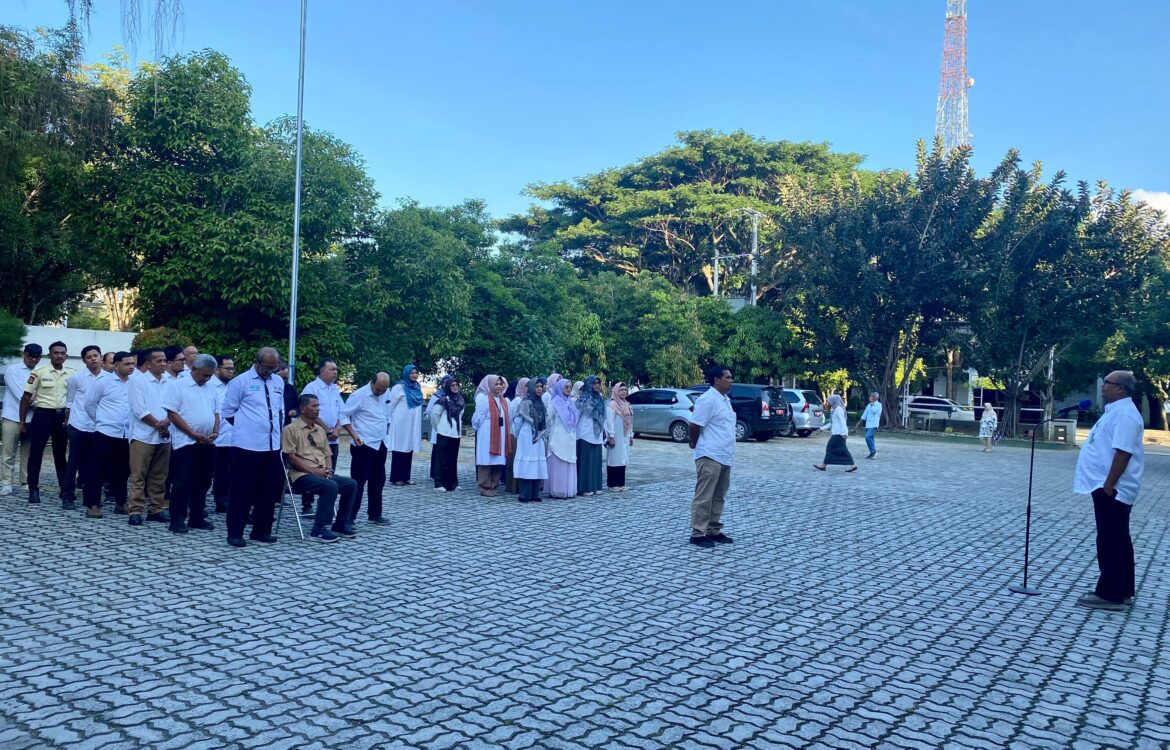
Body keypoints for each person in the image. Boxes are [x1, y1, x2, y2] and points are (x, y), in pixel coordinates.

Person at [1074, 370, 1145, 611]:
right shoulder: (1115, 411)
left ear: (1121, 389)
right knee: (1117, 538)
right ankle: (1122, 590)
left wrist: (1108, 485)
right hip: (1107, 486)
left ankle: (1109, 595)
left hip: (1113, 488)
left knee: (1111, 540)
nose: (1103, 386)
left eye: (1107, 382)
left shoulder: (1125, 414)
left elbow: (1123, 453)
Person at [220, 347, 286, 547]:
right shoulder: (240, 382)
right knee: (242, 491)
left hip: (272, 446)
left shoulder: (278, 381)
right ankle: (235, 533)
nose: (270, 372)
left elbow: (279, 411)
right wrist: (247, 428)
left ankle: (261, 531)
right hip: (246, 447)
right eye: (267, 368)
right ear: (257, 363)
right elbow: (228, 412)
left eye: (274, 368)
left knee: (268, 492)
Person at [283, 393, 357, 542]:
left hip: (321, 473)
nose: (317, 409)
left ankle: (340, 524)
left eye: (318, 406)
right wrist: (314, 471)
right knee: (329, 486)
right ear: (303, 409)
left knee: (351, 484)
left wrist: (329, 469)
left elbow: (327, 454)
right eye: (314, 406)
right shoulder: (290, 429)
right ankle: (319, 529)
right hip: (301, 476)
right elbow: (291, 458)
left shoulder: (320, 430)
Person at [163, 354, 219, 534]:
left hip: (207, 442)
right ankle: (177, 519)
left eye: (210, 375)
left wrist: (215, 431)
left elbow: (216, 412)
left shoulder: (211, 388)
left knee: (203, 481)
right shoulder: (178, 386)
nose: (207, 378)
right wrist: (192, 433)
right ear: (193, 369)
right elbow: (172, 414)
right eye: (204, 375)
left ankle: (197, 517)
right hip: (185, 442)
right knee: (182, 482)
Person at [20, 341, 74, 505]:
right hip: (43, 416)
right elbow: (26, 397)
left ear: (66, 355)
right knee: (36, 454)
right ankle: (33, 490)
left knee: (60, 455)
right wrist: (22, 421)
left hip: (62, 417)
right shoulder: (39, 372)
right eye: (56, 353)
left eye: (62, 353)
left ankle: (64, 490)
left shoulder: (72, 374)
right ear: (49, 354)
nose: (59, 356)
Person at [688, 365, 736, 548]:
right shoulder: (708, 399)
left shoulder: (724, 399)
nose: (731, 380)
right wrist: (694, 443)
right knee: (704, 496)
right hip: (709, 455)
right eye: (728, 377)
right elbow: (694, 425)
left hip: (724, 455)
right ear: (716, 380)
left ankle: (713, 529)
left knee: (718, 496)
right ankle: (698, 533)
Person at [83, 351, 134, 518]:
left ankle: (121, 502)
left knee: (122, 471)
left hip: (126, 434)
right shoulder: (103, 382)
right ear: (116, 365)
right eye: (127, 364)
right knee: (97, 470)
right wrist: (101, 421)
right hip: (105, 432)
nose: (131, 367)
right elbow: (89, 404)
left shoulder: (135, 383)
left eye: (132, 364)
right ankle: (92, 504)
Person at [126, 348, 171, 526]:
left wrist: (166, 423)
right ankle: (135, 511)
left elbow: (176, 406)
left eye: (164, 360)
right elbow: (139, 409)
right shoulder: (137, 381)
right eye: (159, 361)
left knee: (159, 475)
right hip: (143, 435)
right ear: (148, 363)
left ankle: (156, 509)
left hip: (165, 435)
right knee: (138, 475)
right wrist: (159, 425)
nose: (163, 364)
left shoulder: (171, 382)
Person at [340, 372, 391, 527]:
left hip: (380, 442)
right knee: (358, 482)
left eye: (383, 390)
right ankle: (349, 517)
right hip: (363, 443)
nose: (380, 392)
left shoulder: (386, 392)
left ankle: (375, 514)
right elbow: (343, 415)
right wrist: (354, 435)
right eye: (378, 389)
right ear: (372, 383)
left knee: (378, 480)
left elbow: (386, 414)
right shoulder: (359, 395)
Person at [61, 345, 104, 510]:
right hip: (78, 424)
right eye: (89, 357)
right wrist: (67, 422)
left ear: (101, 357)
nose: (93, 359)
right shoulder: (76, 378)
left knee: (94, 463)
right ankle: (67, 495)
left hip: (98, 426)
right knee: (73, 461)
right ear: (84, 360)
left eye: (95, 355)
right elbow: (69, 402)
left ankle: (90, 497)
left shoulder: (109, 378)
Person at [300, 358, 343, 514]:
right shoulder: (312, 388)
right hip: (314, 435)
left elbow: (341, 411)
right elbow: (308, 412)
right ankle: (307, 504)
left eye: (336, 370)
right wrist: (326, 429)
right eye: (332, 369)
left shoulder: (335, 389)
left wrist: (337, 429)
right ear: (322, 371)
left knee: (329, 469)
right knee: (312, 467)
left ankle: (326, 503)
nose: (335, 372)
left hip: (333, 438)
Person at [1, 343, 40, 495]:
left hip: (32, 418)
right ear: (25, 354)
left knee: (28, 452)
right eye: (30, 356)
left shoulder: (40, 372)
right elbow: (21, 395)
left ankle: (26, 481)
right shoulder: (13, 370)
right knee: (8, 452)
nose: (33, 360)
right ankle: (6, 483)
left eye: (36, 357)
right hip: (12, 416)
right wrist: (36, 403)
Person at [511, 377, 548, 503]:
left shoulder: (541, 403)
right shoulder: (525, 403)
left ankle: (534, 494)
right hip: (527, 436)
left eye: (541, 386)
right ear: (532, 388)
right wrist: (518, 435)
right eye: (537, 387)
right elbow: (517, 421)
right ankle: (524, 494)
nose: (539, 389)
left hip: (538, 436)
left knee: (536, 464)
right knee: (527, 463)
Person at [471, 374, 510, 496]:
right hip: (487, 433)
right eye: (496, 384)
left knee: (498, 461)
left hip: (500, 433)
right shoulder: (484, 399)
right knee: (486, 460)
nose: (498, 386)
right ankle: (484, 487)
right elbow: (477, 418)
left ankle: (493, 486)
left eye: (500, 384)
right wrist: (480, 429)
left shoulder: (503, 400)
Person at [387, 365, 424, 486]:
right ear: (406, 374)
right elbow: (391, 406)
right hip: (400, 424)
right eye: (412, 373)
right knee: (399, 449)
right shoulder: (399, 387)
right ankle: (396, 478)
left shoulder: (417, 387)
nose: (414, 375)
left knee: (409, 448)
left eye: (416, 373)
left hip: (412, 423)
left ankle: (406, 477)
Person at [429, 376, 465, 493]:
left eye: (456, 385)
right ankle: (439, 483)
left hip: (456, 433)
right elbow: (434, 415)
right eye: (452, 385)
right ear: (448, 387)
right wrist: (439, 428)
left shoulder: (460, 399)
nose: (455, 387)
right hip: (444, 433)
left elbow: (461, 415)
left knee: (452, 459)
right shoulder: (443, 400)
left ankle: (453, 484)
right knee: (441, 459)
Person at [210, 355, 235, 514]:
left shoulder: (234, 385)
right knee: (206, 471)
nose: (230, 371)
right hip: (212, 436)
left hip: (231, 436)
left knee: (225, 471)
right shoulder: (210, 385)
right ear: (217, 369)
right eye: (227, 368)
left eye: (232, 368)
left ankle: (223, 500)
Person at [545, 377, 578, 499]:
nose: (569, 389)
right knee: (559, 461)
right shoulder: (554, 403)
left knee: (569, 461)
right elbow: (547, 419)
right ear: (559, 388)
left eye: (570, 387)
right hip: (558, 437)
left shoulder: (571, 403)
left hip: (570, 438)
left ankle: (568, 489)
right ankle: (557, 490)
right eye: (566, 387)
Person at [575, 375, 607, 496]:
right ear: (589, 385)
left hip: (597, 433)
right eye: (594, 383)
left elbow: (603, 417)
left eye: (598, 383)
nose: (597, 385)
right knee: (586, 461)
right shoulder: (583, 399)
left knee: (596, 461)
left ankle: (596, 486)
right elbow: (576, 416)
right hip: (585, 433)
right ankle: (585, 487)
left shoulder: (600, 398)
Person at [815, 394, 857, 473]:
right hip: (837, 433)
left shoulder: (838, 409)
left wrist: (844, 433)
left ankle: (824, 465)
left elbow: (842, 421)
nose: (828, 403)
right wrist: (821, 429)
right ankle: (853, 465)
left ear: (834, 401)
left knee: (830, 448)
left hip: (839, 433)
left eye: (829, 401)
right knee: (842, 450)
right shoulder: (834, 409)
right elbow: (832, 423)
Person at [605, 381, 633, 491]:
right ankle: (612, 484)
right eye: (621, 390)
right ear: (616, 391)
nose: (623, 392)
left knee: (623, 458)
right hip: (615, 435)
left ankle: (621, 483)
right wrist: (611, 436)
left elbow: (630, 421)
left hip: (624, 436)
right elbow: (609, 421)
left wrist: (631, 435)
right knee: (614, 459)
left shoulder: (628, 404)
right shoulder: (612, 405)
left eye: (625, 390)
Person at [505, 378, 530, 494]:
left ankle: (522, 485)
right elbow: (510, 419)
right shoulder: (516, 401)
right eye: (525, 386)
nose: (527, 388)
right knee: (515, 461)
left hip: (525, 436)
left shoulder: (529, 400)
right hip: (515, 435)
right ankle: (513, 486)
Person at [856, 392, 882, 460]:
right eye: (870, 396)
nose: (870, 397)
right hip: (868, 424)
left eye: (871, 396)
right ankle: (872, 452)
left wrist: (872, 404)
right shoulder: (869, 405)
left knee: (868, 437)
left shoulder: (879, 405)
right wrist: (860, 421)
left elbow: (874, 411)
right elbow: (865, 413)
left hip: (874, 424)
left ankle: (873, 452)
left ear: (875, 398)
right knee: (871, 438)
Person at [276, 361, 300, 427]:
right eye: (282, 378)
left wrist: (295, 411)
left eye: (285, 378)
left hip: (286, 426)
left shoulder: (291, 389)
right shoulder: (267, 388)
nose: (283, 381)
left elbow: (297, 406)